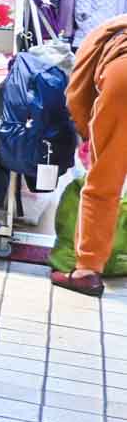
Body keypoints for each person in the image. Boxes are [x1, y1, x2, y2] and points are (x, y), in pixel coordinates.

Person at [55, 16, 127, 297]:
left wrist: (88, 133)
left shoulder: (102, 33)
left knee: (103, 183)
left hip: (122, 80)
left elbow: (77, 95)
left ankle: (86, 271)